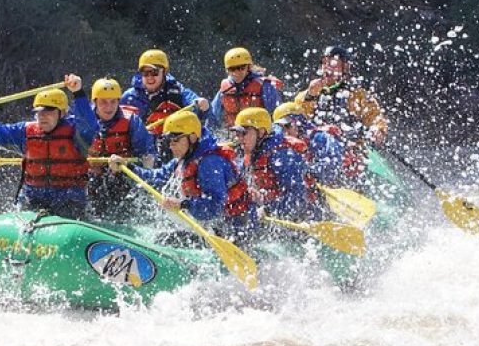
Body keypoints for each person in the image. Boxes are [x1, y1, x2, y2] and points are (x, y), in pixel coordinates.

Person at [0, 75, 98, 218]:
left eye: (48, 112)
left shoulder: (77, 134)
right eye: (39, 113)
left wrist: (78, 93)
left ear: (63, 113)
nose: (42, 117)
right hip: (33, 199)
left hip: (68, 201)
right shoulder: (25, 132)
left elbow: (90, 127)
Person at [111, 111, 254, 243]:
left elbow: (216, 207)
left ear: (192, 137)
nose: (171, 146)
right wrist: (127, 168)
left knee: (166, 240)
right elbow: (156, 178)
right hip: (215, 228)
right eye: (169, 141)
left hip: (236, 228)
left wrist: (183, 204)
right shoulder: (185, 158)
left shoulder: (210, 163)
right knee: (162, 237)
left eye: (176, 140)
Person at [294, 45, 388, 147]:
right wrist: (310, 96)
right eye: (325, 63)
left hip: (349, 149)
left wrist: (379, 130)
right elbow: (298, 120)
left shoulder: (357, 94)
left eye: (333, 64)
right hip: (316, 146)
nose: (328, 67)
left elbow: (375, 117)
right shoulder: (309, 92)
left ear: (345, 68)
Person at [88, 78, 156, 215]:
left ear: (119, 101)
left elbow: (147, 155)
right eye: (103, 102)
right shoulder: (84, 120)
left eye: (113, 102)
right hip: (92, 176)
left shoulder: (132, 121)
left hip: (122, 174)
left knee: (118, 184)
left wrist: (142, 164)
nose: (109, 107)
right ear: (95, 102)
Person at [231, 107, 312, 220]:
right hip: (274, 210)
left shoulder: (281, 156)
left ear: (261, 132)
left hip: (305, 216)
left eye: (244, 133)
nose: (239, 138)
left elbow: (297, 197)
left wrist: (268, 209)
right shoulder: (252, 153)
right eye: (237, 134)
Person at [209, 47, 281, 132]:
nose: (236, 73)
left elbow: (277, 117)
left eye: (241, 68)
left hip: (260, 135)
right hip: (235, 135)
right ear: (227, 71)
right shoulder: (224, 90)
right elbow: (211, 120)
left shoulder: (264, 86)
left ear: (249, 67)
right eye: (232, 69)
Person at [272, 101, 345, 185]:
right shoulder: (282, 146)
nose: (285, 131)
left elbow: (334, 163)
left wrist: (311, 172)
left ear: (300, 123)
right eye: (280, 127)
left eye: (288, 125)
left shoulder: (319, 137)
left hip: (333, 186)